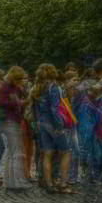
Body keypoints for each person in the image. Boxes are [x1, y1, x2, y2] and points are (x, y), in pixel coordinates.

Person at [32, 63, 74, 194]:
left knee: (47, 154)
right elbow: (54, 109)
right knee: (66, 152)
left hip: (42, 123)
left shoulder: (37, 87)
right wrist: (59, 125)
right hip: (53, 124)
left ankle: (49, 184)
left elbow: (36, 109)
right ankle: (63, 183)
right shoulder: (53, 87)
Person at [0, 66, 30, 190]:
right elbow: (2, 103)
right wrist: (19, 103)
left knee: (13, 152)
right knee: (15, 152)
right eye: (19, 79)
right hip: (9, 122)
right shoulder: (6, 87)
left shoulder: (15, 87)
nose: (22, 81)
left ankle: (11, 180)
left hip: (14, 120)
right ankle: (15, 182)